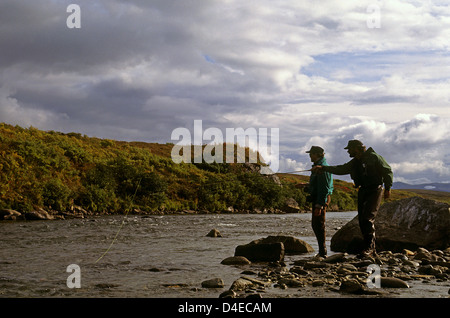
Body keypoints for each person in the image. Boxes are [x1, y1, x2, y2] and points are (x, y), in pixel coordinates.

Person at [312, 140, 393, 257]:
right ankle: (370, 248)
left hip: (375, 190)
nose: (348, 151)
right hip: (363, 190)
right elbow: (341, 169)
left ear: (356, 148)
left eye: (349, 149)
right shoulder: (355, 162)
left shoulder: (374, 157)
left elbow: (387, 171)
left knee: (368, 218)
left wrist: (388, 188)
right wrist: (323, 168)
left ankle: (370, 249)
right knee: (362, 220)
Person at [303, 146, 334, 257]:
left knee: (318, 224)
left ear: (317, 154)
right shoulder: (318, 167)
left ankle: (323, 252)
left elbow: (325, 188)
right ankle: (322, 251)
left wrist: (319, 205)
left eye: (311, 154)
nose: (310, 156)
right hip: (319, 198)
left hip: (321, 199)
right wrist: (306, 185)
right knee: (316, 224)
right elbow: (318, 185)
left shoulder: (323, 168)